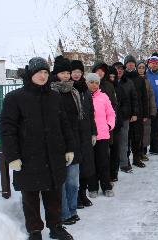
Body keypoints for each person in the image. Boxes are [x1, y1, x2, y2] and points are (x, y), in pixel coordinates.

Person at [0, 57, 74, 240]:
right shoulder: (15, 98)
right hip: (28, 158)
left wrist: (69, 148)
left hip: (53, 156)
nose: (43, 75)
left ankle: (56, 227)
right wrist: (13, 156)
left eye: (46, 72)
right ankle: (34, 230)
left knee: (54, 196)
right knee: (31, 197)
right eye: (39, 72)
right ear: (31, 73)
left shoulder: (54, 97)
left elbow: (64, 124)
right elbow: (7, 129)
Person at [50, 56, 84, 226]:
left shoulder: (74, 91)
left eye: (67, 72)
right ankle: (63, 213)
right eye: (62, 72)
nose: (66, 76)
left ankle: (72, 209)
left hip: (74, 140)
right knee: (61, 181)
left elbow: (79, 117)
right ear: (56, 74)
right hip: (57, 141)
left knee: (73, 180)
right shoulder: (50, 92)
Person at [70, 60, 97, 209]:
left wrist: (94, 132)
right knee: (75, 167)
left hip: (86, 132)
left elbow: (91, 113)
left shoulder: (85, 90)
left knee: (86, 165)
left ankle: (82, 194)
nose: (76, 74)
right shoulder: (67, 89)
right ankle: (75, 197)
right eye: (74, 71)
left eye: (79, 72)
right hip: (74, 133)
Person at [86, 73, 116, 198]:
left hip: (102, 135)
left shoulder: (104, 97)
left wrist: (109, 125)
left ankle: (106, 186)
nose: (94, 85)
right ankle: (92, 187)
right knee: (90, 163)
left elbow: (111, 113)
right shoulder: (82, 96)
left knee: (103, 162)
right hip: (88, 136)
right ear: (87, 83)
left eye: (96, 83)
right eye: (91, 82)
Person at [123, 55, 148, 168]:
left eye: (132, 63)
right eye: (128, 63)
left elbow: (144, 97)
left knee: (137, 137)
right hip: (126, 113)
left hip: (138, 113)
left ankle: (137, 158)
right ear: (125, 64)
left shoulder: (140, 79)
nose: (130, 64)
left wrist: (145, 114)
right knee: (126, 138)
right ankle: (126, 160)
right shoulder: (122, 78)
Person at [137, 60, 157, 161]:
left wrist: (153, 111)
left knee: (145, 132)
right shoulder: (133, 80)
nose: (141, 69)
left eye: (143, 68)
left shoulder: (147, 80)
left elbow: (151, 96)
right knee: (137, 134)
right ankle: (137, 152)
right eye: (139, 67)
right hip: (137, 111)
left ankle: (143, 152)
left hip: (146, 110)